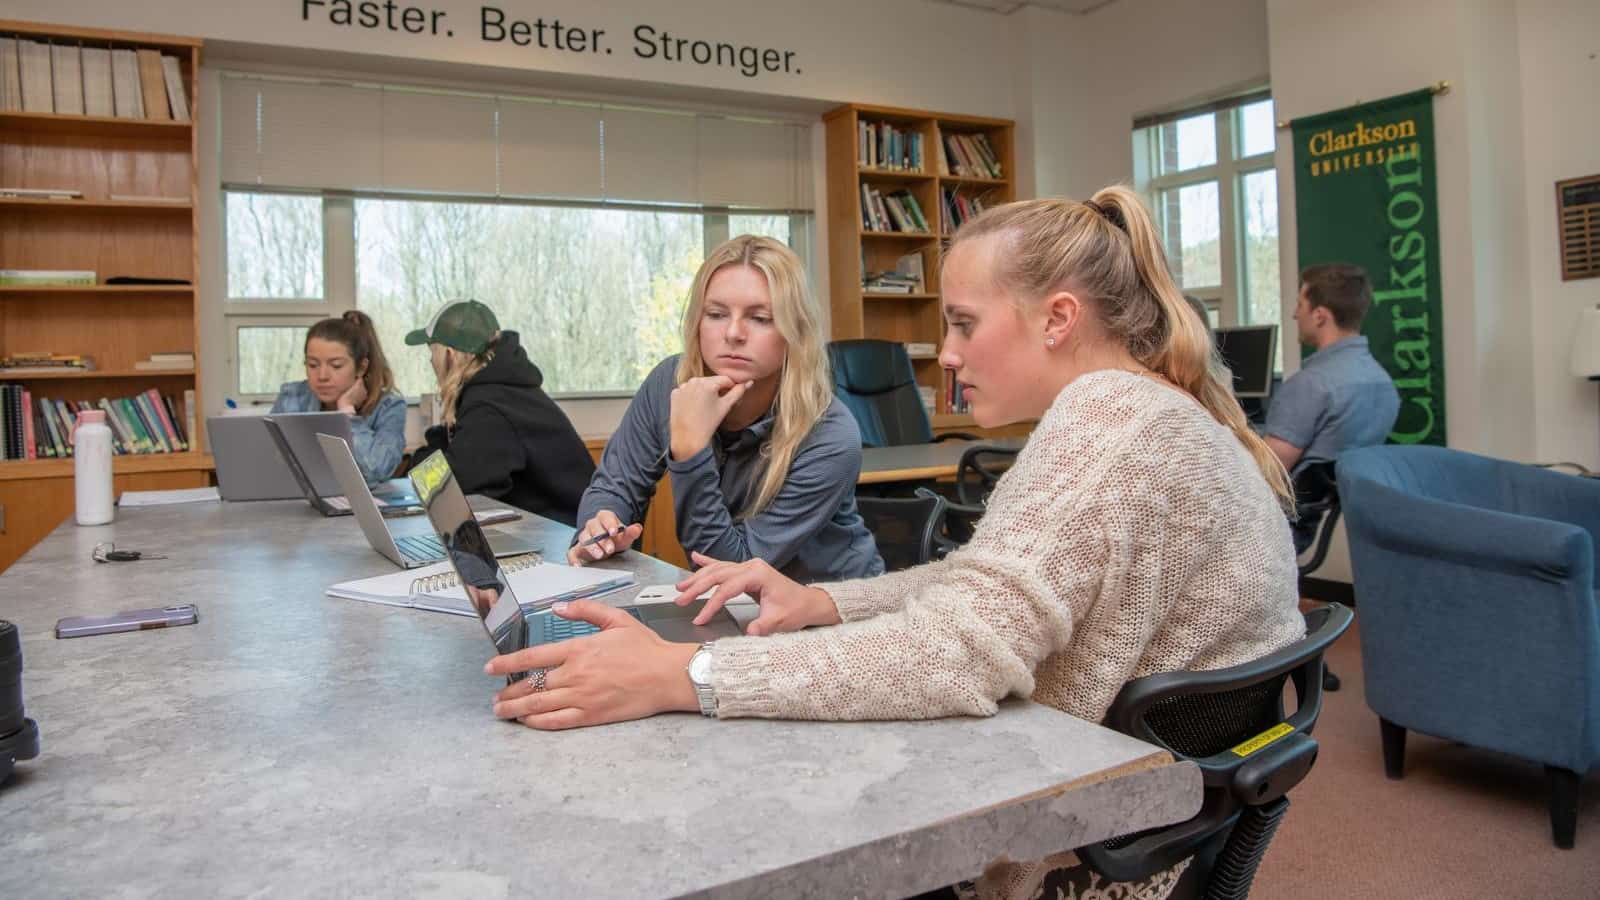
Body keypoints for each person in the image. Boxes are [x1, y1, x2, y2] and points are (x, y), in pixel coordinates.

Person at [484, 190, 1305, 899]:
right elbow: (984, 585)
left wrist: (686, 673)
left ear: (1058, 319)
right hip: (1141, 815)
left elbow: (959, 651)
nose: (944, 354)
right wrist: (824, 601)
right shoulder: (1156, 414)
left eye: (963, 324)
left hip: (1075, 849)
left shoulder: (1109, 421)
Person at [569, 235, 883, 583]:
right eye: (716, 314)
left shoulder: (830, 433)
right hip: (734, 604)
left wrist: (690, 451)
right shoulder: (670, 384)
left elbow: (729, 568)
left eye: (760, 318)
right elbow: (614, 487)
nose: (733, 333)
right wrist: (599, 529)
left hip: (832, 603)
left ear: (794, 332)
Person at [407, 299, 594, 527]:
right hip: (554, 526)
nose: (430, 361)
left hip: (572, 535)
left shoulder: (490, 406)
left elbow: (446, 489)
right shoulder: (503, 391)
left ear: (450, 355)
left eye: (432, 353)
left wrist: (420, 458)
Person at [1263, 263, 1400, 551]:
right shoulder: (1382, 382)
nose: (1294, 314)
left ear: (1320, 316)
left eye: (1300, 305)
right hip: (1332, 523)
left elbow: (1267, 470)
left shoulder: (1311, 385)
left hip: (1284, 532)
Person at [271, 310, 405, 483]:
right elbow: (269, 462)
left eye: (336, 366)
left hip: (362, 499)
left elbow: (377, 468)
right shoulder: (292, 397)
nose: (322, 376)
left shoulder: (389, 406)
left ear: (361, 368)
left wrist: (346, 412)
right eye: (312, 365)